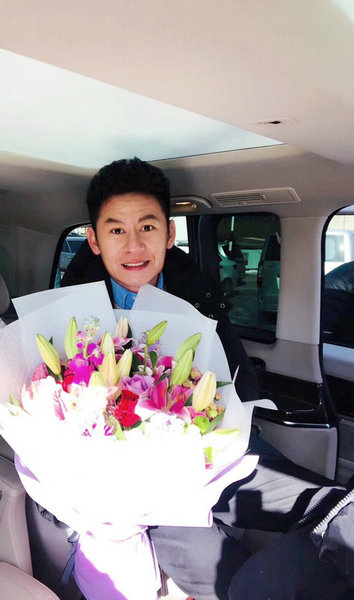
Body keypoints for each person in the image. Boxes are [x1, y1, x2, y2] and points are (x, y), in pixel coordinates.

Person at [61, 158, 346, 599]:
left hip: (212, 453)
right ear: (95, 240)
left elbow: (238, 380)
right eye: (117, 230)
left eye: (148, 227)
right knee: (229, 574)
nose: (134, 246)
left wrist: (215, 424)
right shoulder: (68, 315)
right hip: (136, 490)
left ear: (169, 233)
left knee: (334, 508)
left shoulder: (197, 291)